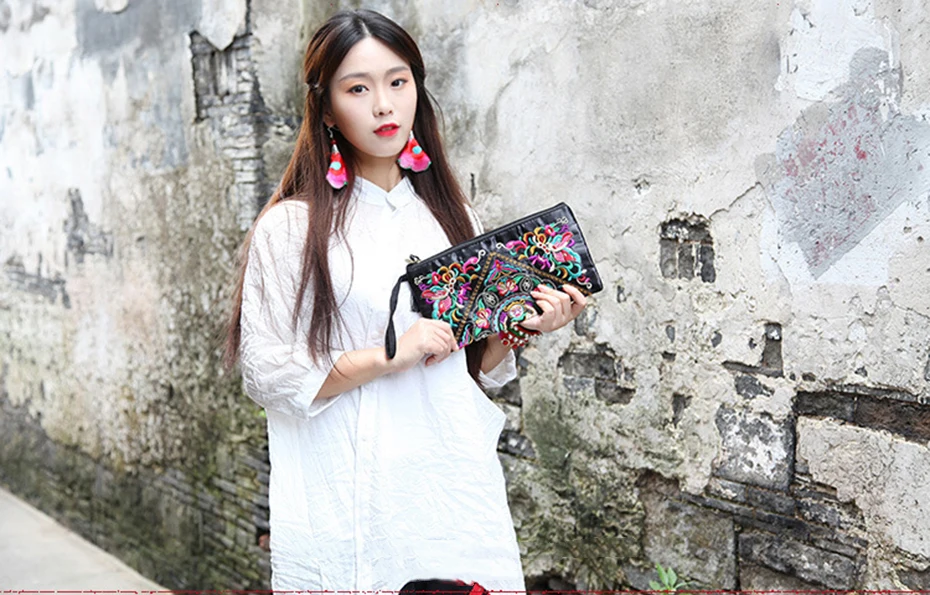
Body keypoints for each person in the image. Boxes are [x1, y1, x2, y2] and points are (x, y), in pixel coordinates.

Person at [223, 8, 587, 593]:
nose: (384, 105)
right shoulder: (291, 228)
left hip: (447, 483)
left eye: (398, 82)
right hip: (348, 491)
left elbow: (468, 368)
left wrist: (519, 327)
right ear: (326, 109)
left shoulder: (452, 217)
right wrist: (388, 356)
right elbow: (266, 371)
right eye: (357, 89)